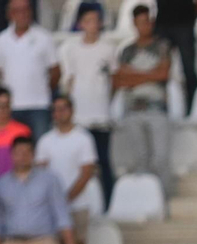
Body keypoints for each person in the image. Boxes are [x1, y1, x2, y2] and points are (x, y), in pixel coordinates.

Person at [36, 96, 99, 244]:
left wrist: (65, 198)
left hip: (77, 204)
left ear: (71, 110)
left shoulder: (83, 138)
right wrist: (55, 201)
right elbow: (42, 172)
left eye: (63, 108)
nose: (59, 113)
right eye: (55, 109)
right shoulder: (46, 140)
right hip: (53, 207)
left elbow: (86, 172)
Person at [112, 6, 174, 196]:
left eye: (147, 21)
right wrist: (149, 75)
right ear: (134, 24)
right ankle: (146, 198)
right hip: (133, 109)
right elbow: (120, 80)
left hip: (157, 108)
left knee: (161, 158)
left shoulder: (162, 46)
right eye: (140, 22)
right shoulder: (127, 51)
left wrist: (134, 75)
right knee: (140, 160)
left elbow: (163, 74)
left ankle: (164, 198)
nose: (144, 26)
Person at [59, 2, 115, 208]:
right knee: (77, 166)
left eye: (95, 21)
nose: (92, 25)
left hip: (101, 117)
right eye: (87, 21)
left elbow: (113, 80)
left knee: (104, 164)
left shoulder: (108, 49)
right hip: (79, 118)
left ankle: (109, 205)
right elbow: (68, 80)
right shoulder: (69, 48)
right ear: (80, 23)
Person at [0, 0, 59, 142]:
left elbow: (55, 71)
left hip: (39, 106)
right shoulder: (1, 40)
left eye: (25, 10)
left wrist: (43, 90)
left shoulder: (44, 37)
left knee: (41, 149)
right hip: (12, 108)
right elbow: (0, 73)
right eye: (17, 11)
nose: (22, 14)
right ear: (9, 14)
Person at [152, 0, 197, 114]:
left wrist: (192, 15)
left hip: (184, 24)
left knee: (189, 70)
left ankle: (194, 107)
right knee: (157, 68)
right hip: (163, 24)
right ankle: (158, 105)